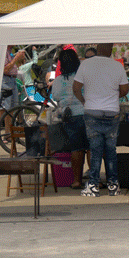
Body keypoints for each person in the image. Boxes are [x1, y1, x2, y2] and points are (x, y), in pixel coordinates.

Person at [74, 43, 129, 197]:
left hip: (92, 111)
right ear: (110, 50)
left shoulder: (86, 64)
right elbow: (125, 90)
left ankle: (93, 185)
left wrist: (84, 101)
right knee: (111, 150)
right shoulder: (117, 66)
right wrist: (111, 97)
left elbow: (76, 88)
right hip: (112, 112)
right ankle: (113, 185)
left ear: (97, 49)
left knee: (95, 149)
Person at [48, 48, 88, 186]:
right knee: (90, 148)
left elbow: (56, 96)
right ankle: (94, 180)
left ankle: (77, 180)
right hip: (87, 113)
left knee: (76, 148)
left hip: (70, 116)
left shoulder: (58, 80)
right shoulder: (84, 76)